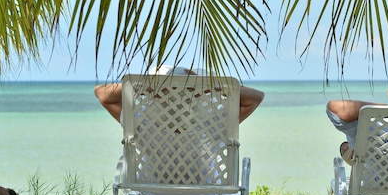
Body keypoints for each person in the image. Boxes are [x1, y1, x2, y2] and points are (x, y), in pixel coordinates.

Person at [94, 65, 265, 124]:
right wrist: (209, 85)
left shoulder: (142, 122)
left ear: (158, 95)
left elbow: (101, 93)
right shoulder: (213, 124)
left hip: (151, 185)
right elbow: (256, 97)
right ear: (198, 95)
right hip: (207, 186)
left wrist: (146, 85)